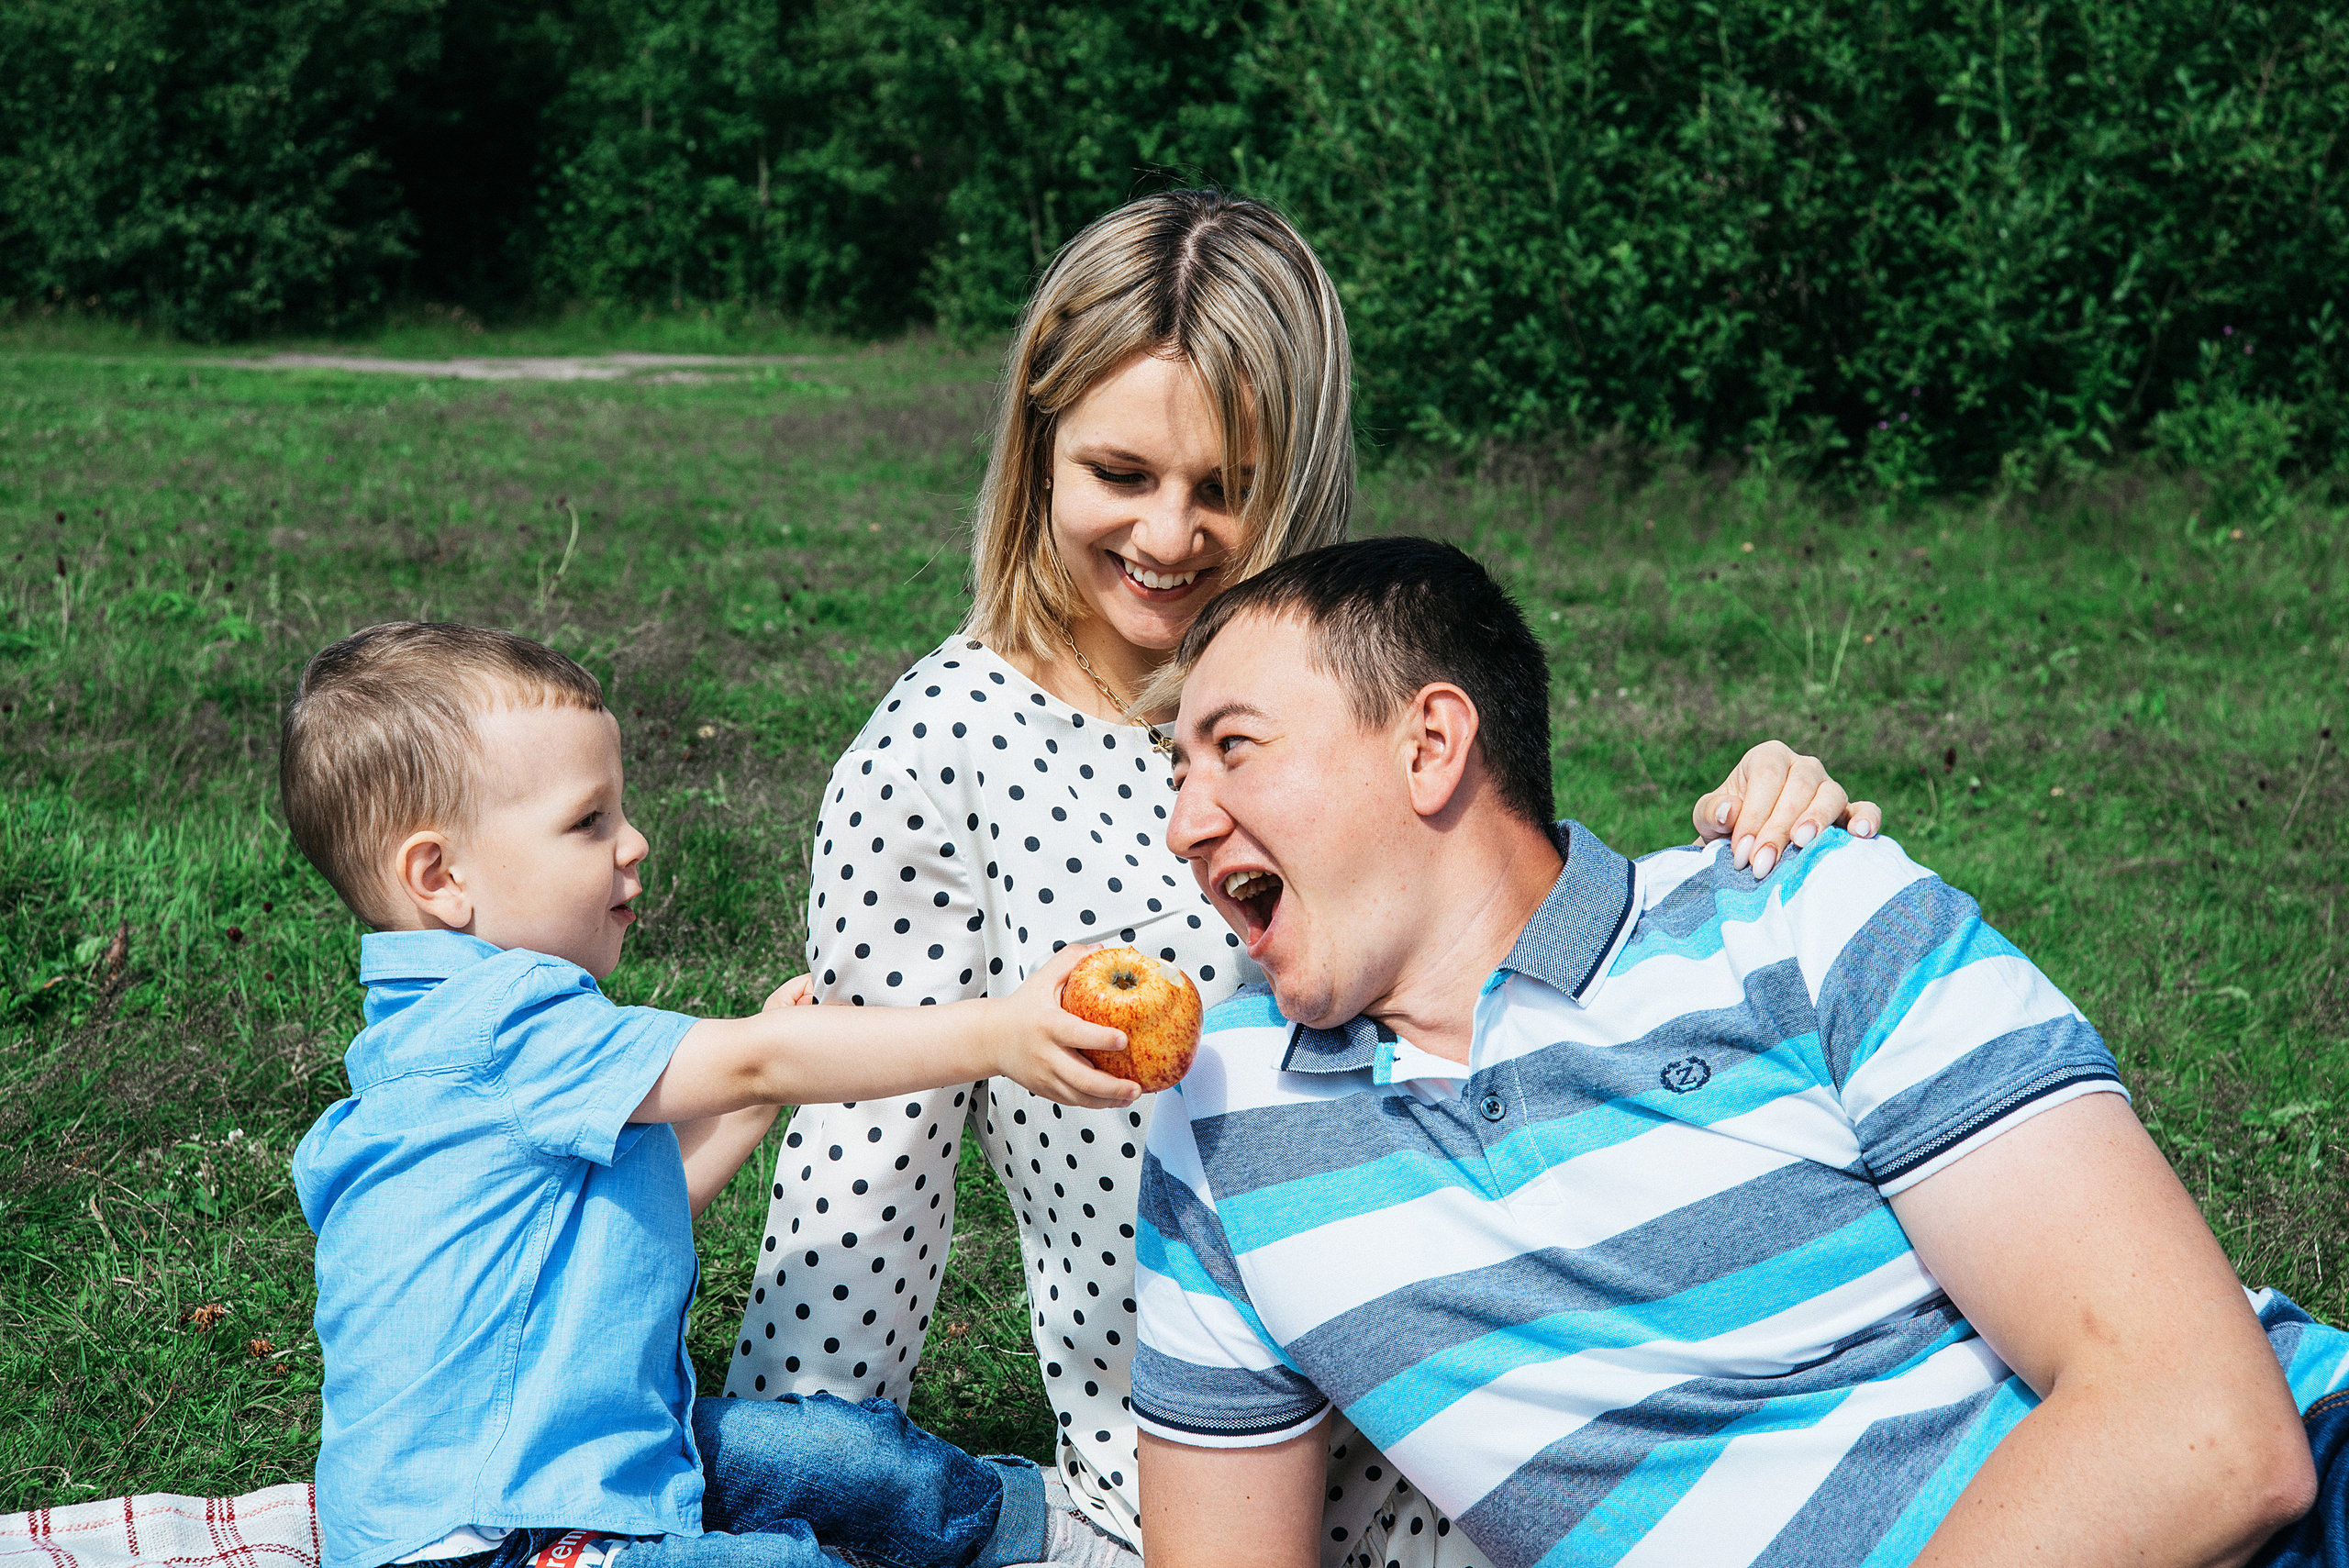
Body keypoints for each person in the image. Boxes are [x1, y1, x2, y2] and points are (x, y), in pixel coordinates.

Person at [724, 187, 1887, 1562]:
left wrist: (1758, 847)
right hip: (1198, 1509)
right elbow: (865, 1174)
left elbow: (1531, 967)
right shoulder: (935, 759)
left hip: (1529, 1466)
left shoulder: (1367, 682)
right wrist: (787, 1487)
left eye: (1226, 489)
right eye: (1121, 475)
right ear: (1037, 450)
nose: (1168, 537)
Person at [1130, 536, 2349, 1568]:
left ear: (1431, 744)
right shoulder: (1222, 1121)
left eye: (1233, 747)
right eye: (1176, 769)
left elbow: (2205, 1432)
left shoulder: (1795, 912)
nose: (1186, 825)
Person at [281, 622, 1145, 1568]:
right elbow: (757, 1056)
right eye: (590, 820)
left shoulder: (435, 1049)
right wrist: (997, 1032)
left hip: (590, 1461)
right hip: (493, 1538)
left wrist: (745, 1113)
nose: (634, 839)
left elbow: (597, 1237)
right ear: (440, 876)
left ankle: (1055, 1536)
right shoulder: (506, 1026)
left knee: (843, 1452)